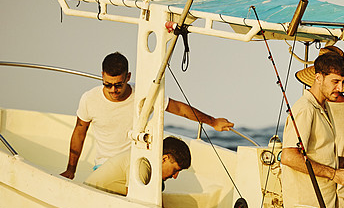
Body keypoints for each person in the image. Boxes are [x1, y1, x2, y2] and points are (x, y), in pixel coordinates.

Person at [60, 52, 233, 179]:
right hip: (104, 166)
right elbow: (79, 133)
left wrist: (212, 122)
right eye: (108, 85)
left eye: (118, 85)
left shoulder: (144, 95)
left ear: (128, 77)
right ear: (102, 76)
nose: (113, 90)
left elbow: (179, 109)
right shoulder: (89, 99)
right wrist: (71, 169)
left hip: (139, 163)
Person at [281, 51, 344, 208]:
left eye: (343, 82)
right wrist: (334, 174)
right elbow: (289, 156)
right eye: (335, 82)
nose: (341, 88)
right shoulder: (305, 109)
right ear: (318, 78)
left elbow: (318, 152)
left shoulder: (323, 106)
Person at [84, 136, 191, 196]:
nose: (175, 176)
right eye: (175, 170)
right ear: (164, 159)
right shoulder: (142, 164)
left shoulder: (146, 161)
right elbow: (135, 206)